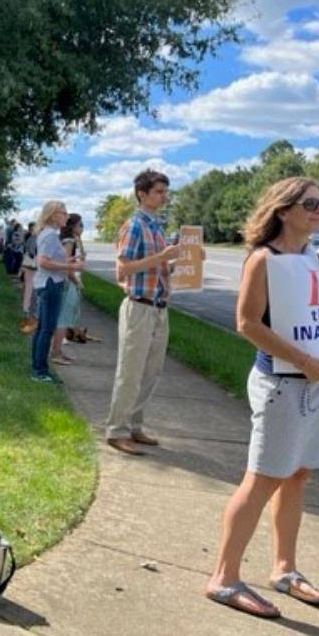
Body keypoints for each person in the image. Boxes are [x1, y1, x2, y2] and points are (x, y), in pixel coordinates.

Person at [205, 177, 319, 617]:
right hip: (281, 384)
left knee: (297, 475)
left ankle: (285, 569)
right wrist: (305, 360)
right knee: (262, 478)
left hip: (313, 384)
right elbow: (247, 324)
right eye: (309, 203)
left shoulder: (310, 257)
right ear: (283, 210)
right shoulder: (264, 259)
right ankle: (224, 578)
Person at [103, 169, 179, 455]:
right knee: (131, 371)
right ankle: (116, 430)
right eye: (159, 191)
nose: (164, 196)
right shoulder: (134, 226)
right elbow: (123, 269)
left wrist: (184, 260)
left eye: (164, 191)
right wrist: (160, 257)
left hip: (159, 307)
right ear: (142, 194)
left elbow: (161, 266)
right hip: (139, 306)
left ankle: (134, 425)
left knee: (151, 371)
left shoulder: (157, 227)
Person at [30, 201, 83, 383]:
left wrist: (68, 260)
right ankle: (40, 371)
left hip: (48, 283)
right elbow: (43, 262)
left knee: (42, 329)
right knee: (46, 329)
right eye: (63, 213)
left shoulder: (49, 234)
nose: (66, 216)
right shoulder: (51, 235)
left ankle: (38, 367)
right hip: (51, 284)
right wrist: (70, 265)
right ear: (52, 215)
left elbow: (49, 259)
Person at [51, 214, 84, 364]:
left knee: (64, 318)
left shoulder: (72, 240)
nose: (82, 227)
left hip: (65, 281)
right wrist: (77, 282)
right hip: (67, 282)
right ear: (73, 226)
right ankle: (56, 353)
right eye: (80, 224)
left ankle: (58, 351)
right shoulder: (69, 241)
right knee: (63, 319)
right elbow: (66, 265)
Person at [20, 221, 38, 333]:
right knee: (30, 287)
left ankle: (26, 307)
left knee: (28, 287)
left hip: (28, 265)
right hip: (32, 265)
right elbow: (32, 251)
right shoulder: (33, 238)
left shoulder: (29, 237)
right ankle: (27, 308)